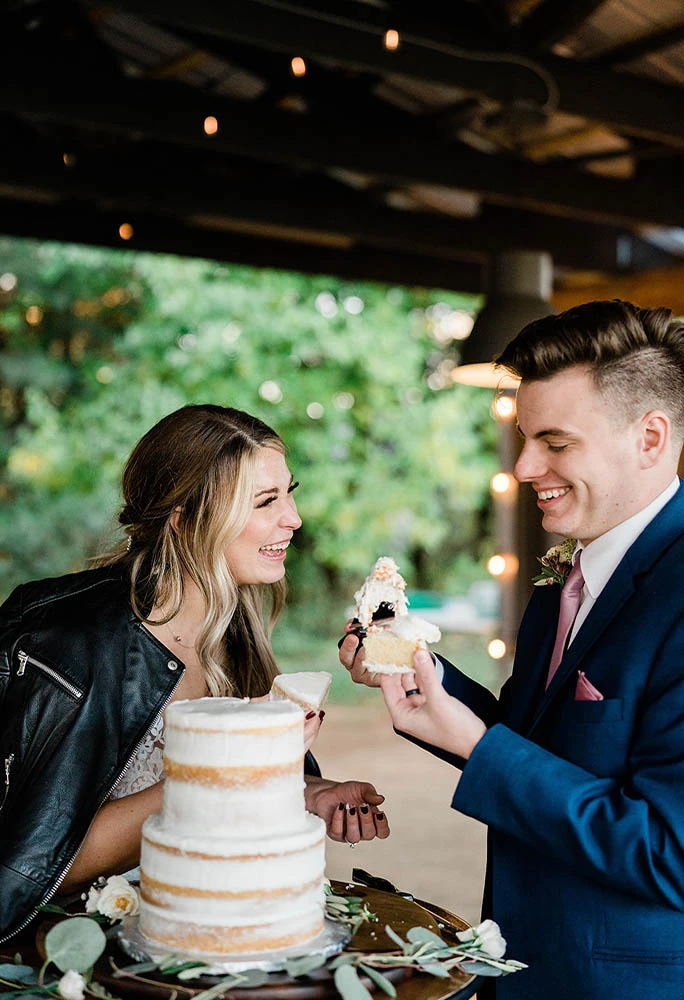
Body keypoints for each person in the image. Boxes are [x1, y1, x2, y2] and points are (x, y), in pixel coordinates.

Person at [340, 300, 684, 999]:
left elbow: (668, 850)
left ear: (650, 438)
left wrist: (478, 747)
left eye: (556, 443)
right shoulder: (567, 578)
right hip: (521, 962)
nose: (525, 466)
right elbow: (539, 745)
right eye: (526, 439)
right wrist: (420, 672)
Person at [0, 404, 389, 945]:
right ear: (184, 520)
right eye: (266, 501)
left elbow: (234, 799)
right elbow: (31, 869)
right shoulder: (67, 642)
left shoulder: (235, 633)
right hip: (78, 952)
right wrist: (218, 764)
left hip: (209, 943)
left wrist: (308, 791)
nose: (294, 518)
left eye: (289, 493)